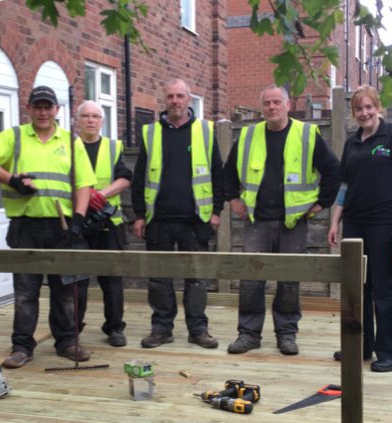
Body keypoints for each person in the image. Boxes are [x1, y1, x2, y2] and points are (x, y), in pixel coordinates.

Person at [0, 85, 95, 366]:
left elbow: (84, 184)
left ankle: (67, 341)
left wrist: (79, 218)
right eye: (37, 106)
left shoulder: (71, 141)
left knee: (66, 290)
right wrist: (11, 179)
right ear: (29, 108)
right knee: (26, 291)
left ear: (56, 110)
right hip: (25, 227)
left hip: (62, 228)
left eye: (47, 107)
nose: (43, 112)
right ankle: (22, 347)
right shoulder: (14, 137)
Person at [223, 85, 341, 356]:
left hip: (293, 222)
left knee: (290, 279)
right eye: (267, 103)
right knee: (252, 279)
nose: (272, 107)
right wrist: (233, 200)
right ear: (262, 107)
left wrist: (322, 203)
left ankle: (286, 334)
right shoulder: (248, 136)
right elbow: (228, 172)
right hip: (257, 221)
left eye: (277, 102)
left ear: (288, 105)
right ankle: (248, 334)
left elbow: (333, 170)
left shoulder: (307, 134)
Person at [130, 79, 224, 349]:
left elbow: (218, 173)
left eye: (180, 96)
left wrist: (216, 211)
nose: (175, 101)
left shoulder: (205, 131)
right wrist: (138, 215)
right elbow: (139, 178)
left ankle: (198, 329)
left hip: (195, 220)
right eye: (170, 96)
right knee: (159, 278)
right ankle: (161, 329)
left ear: (188, 100)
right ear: (165, 99)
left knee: (196, 278)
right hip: (158, 219)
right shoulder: (150, 133)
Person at [328, 85, 392, 372]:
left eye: (369, 107)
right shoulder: (352, 143)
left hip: (384, 222)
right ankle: (360, 346)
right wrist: (335, 221)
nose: (364, 113)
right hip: (355, 221)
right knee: (357, 287)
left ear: (378, 107)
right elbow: (344, 186)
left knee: (385, 288)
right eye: (359, 109)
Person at [72, 100, 134, 347]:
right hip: (78, 222)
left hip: (109, 222)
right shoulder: (67, 147)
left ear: (102, 121)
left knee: (113, 282)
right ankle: (72, 328)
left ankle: (115, 328)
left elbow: (125, 178)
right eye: (85, 116)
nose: (90, 120)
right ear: (78, 120)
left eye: (95, 116)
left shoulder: (112, 147)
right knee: (76, 281)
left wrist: (100, 195)